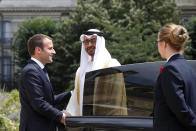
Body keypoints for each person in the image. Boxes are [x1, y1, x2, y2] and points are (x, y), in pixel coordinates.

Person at [66, 29, 127, 116]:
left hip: (106, 120)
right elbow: (76, 99)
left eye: (93, 40)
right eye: (86, 42)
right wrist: (68, 114)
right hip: (86, 122)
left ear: (100, 42)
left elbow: (117, 99)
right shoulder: (80, 71)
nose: (89, 45)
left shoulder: (112, 65)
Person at [19, 34, 71, 131]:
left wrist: (71, 94)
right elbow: (39, 103)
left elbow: (48, 100)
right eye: (50, 48)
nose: (54, 52)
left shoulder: (38, 70)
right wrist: (62, 117)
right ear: (38, 50)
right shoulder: (31, 71)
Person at [153, 23, 196, 131]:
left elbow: (181, 108)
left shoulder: (170, 69)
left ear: (164, 44)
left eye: (157, 42)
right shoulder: (188, 68)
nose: (158, 45)